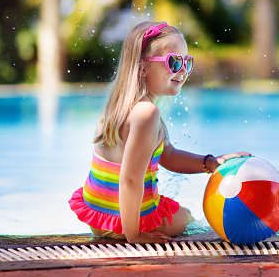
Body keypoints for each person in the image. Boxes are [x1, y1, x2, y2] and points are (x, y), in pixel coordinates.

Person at [68, 21, 250, 244]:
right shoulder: (146, 113)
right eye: (174, 62)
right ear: (143, 67)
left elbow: (168, 155)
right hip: (127, 223)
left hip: (100, 218)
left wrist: (210, 162)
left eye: (187, 62)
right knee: (189, 219)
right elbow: (130, 180)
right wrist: (134, 235)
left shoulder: (117, 107)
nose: (183, 71)